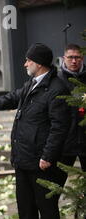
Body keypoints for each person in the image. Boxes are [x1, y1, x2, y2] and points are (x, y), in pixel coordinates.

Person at [0, 43, 70, 219]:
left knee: (47, 208)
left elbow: (59, 128)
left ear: (38, 63)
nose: (25, 63)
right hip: (23, 157)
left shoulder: (56, 88)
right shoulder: (33, 83)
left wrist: (48, 156)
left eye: (28, 60)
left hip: (41, 160)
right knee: (26, 205)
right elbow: (14, 96)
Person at [57, 43, 86, 178]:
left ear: (82, 58)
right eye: (70, 57)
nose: (74, 61)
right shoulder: (56, 79)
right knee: (58, 181)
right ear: (64, 58)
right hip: (66, 139)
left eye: (77, 57)